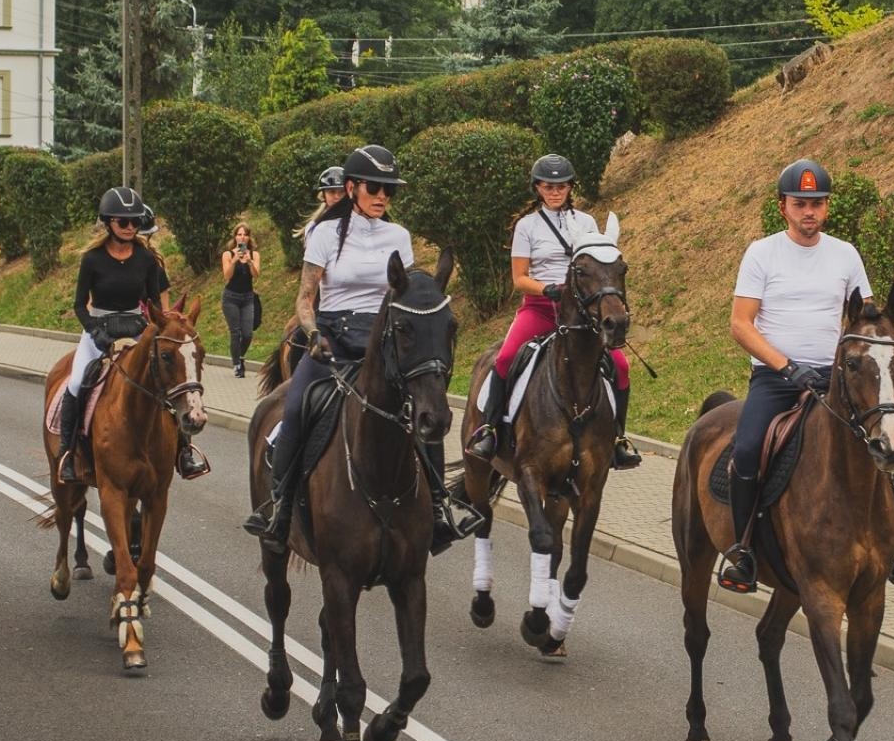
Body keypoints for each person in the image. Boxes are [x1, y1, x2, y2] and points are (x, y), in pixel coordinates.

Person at [243, 145, 473, 552]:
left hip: (381, 344)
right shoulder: (325, 234)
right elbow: (304, 297)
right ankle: (279, 509)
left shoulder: (398, 236)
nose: (382, 195)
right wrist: (313, 333)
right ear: (351, 188)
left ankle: (439, 507)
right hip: (332, 339)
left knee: (425, 410)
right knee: (295, 408)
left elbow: (403, 295)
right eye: (375, 187)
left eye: (389, 189)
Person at [721, 159, 874, 589]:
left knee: (890, 446)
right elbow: (741, 324)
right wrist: (787, 366)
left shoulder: (845, 254)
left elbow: (866, 318)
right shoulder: (761, 252)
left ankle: (886, 541)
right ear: (782, 206)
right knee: (748, 450)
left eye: (818, 203)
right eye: (801, 203)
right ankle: (743, 551)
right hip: (776, 379)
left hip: (834, 380)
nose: (810, 211)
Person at [466, 154, 640, 469]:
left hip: (580, 312)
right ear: (538, 188)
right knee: (505, 358)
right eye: (548, 186)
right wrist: (546, 289)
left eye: (561, 186)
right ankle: (489, 429)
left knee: (621, 366)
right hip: (541, 307)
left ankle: (617, 438)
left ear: (570, 187)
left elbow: (598, 268)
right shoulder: (526, 226)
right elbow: (519, 278)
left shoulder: (587, 223)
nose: (555, 192)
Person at [57, 187, 166, 483]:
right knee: (77, 382)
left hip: (135, 327)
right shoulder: (92, 259)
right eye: (123, 222)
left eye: (135, 222)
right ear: (108, 223)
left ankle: (182, 450)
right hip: (99, 328)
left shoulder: (146, 259)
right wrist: (94, 332)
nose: (131, 227)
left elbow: (155, 303)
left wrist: (158, 329)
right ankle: (68, 452)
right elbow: (79, 305)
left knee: (165, 381)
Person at [138, 204, 208, 479]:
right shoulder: (111, 259)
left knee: (179, 380)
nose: (142, 240)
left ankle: (184, 450)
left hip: (154, 331)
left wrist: (165, 328)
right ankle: (75, 445)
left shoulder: (154, 264)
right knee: (85, 380)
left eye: (146, 236)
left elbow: (164, 306)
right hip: (120, 330)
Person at [220, 222, 261, 377]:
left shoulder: (254, 254)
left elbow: (256, 275)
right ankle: (237, 364)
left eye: (245, 234)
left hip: (248, 298)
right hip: (231, 297)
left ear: (249, 237)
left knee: (248, 333)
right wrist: (235, 259)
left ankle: (240, 357)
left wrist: (249, 261)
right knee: (235, 332)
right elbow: (227, 276)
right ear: (235, 237)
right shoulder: (228, 254)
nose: (242, 237)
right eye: (239, 234)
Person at [294, 166, 346, 241]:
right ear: (324, 195)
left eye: (342, 191)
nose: (337, 196)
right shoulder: (316, 229)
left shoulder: (360, 221)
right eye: (332, 192)